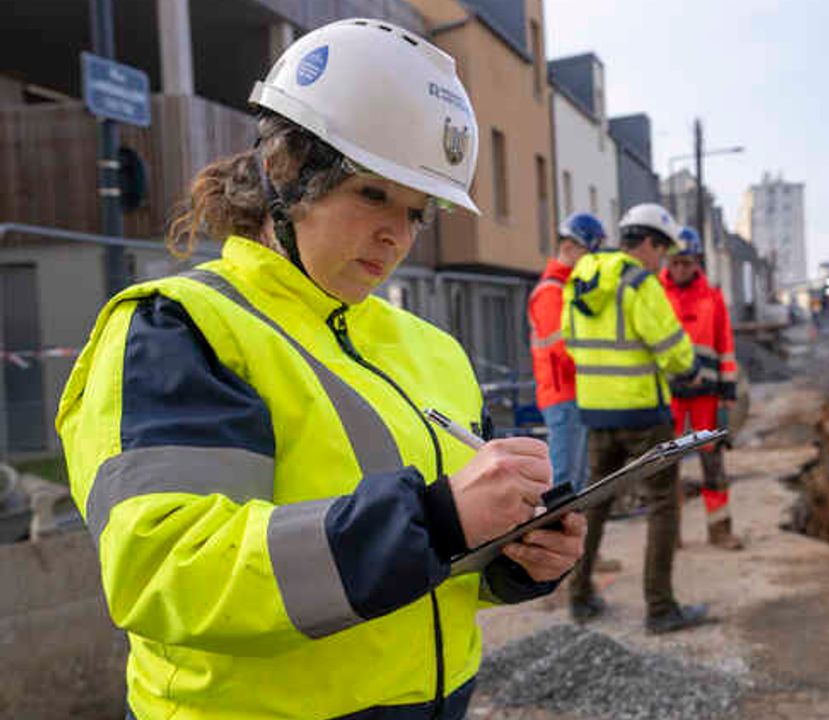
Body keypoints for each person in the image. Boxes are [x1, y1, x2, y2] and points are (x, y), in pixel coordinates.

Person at [56, 20, 583, 720]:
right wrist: (434, 519)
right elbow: (166, 573)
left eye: (417, 212)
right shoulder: (183, 329)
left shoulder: (430, 348)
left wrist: (511, 560)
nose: (396, 233)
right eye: (373, 194)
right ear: (285, 170)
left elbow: (432, 565)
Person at [562, 202, 711, 634]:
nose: (661, 260)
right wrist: (690, 371)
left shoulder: (582, 277)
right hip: (645, 412)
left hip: (596, 413)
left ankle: (580, 596)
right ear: (648, 242)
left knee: (595, 505)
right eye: (661, 250)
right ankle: (660, 608)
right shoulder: (639, 283)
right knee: (663, 505)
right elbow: (672, 347)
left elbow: (571, 343)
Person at [659, 226, 744, 550]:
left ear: (697, 262)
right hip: (669, 396)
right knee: (667, 465)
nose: (680, 268)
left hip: (707, 396)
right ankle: (671, 535)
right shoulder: (655, 294)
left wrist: (729, 390)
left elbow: (725, 346)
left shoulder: (712, 298)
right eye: (676, 262)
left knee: (713, 463)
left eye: (687, 262)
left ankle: (720, 530)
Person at [528, 213, 605, 491]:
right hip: (564, 396)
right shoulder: (552, 292)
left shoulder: (567, 289)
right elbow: (562, 350)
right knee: (563, 483)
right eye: (589, 253)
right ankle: (551, 533)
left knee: (575, 481)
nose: (593, 262)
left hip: (571, 395)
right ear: (570, 247)